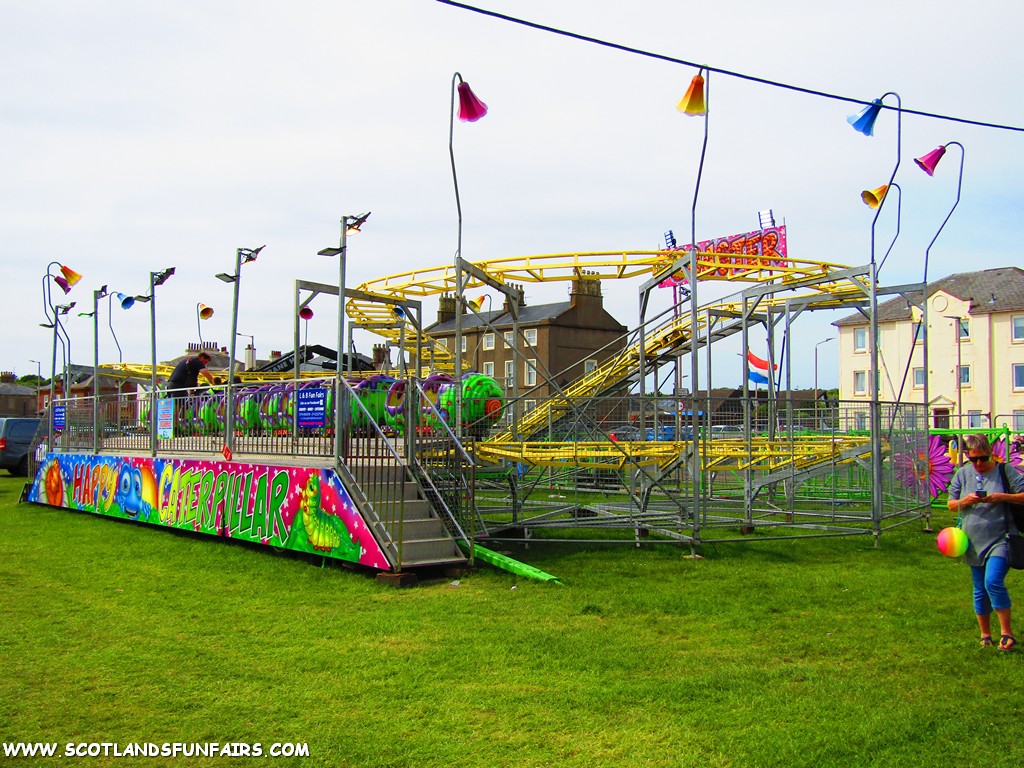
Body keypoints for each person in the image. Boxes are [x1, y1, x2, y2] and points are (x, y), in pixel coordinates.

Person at [947, 433, 1024, 651]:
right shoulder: (962, 474)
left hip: (1001, 538)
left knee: (993, 582)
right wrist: (966, 501)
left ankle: (1007, 633)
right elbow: (951, 504)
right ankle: (985, 634)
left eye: (982, 458)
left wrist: (1001, 497)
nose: (978, 464)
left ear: (989, 455)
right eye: (973, 459)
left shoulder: (1004, 471)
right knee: (980, 589)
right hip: (971, 541)